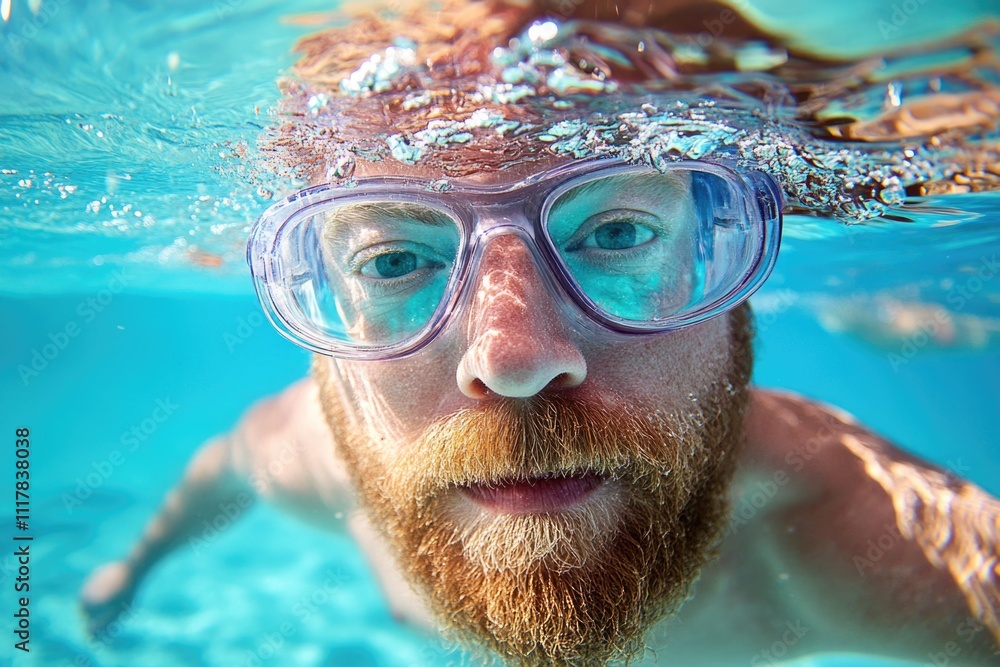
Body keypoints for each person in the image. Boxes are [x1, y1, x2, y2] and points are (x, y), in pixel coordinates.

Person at [81, 0, 1000, 664]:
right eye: (394, 260)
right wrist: (132, 565)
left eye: (618, 233)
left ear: (730, 284)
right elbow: (224, 468)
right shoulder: (316, 452)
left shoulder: (861, 536)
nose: (515, 360)